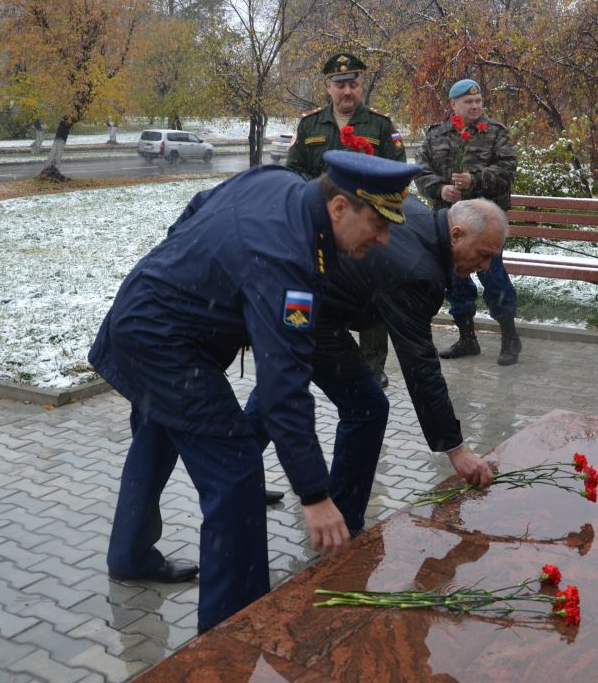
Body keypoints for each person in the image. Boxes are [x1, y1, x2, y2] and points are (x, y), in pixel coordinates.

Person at [89, 151, 423, 633]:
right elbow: (283, 384)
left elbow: (197, 205)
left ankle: (129, 553)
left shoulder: (279, 181)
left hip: (144, 315)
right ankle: (232, 636)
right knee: (235, 470)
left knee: (160, 432)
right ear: (338, 209)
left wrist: (186, 271)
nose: (385, 237)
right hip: (164, 343)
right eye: (377, 222)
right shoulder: (288, 259)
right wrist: (314, 494)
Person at [251, 196, 503, 533]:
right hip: (304, 307)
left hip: (299, 293)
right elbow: (420, 364)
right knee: (367, 408)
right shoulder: (419, 272)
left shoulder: (417, 212)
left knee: (277, 390)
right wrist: (455, 449)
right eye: (484, 254)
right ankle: (343, 525)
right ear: (456, 234)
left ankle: (233, 470)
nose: (485, 266)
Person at [287, 51, 408, 389]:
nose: (347, 91)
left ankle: (372, 367)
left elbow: (398, 172)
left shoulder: (380, 126)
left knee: (372, 294)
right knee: (317, 290)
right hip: (321, 227)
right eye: (339, 84)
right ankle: (319, 353)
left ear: (361, 85)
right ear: (328, 87)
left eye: (353, 83)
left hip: (363, 228)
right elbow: (293, 170)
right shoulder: (309, 124)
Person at [415, 78, 522, 365]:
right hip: (451, 225)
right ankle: (467, 338)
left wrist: (476, 179)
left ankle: (510, 338)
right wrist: (440, 189)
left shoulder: (496, 133)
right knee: (456, 283)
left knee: (494, 279)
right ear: (453, 105)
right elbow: (421, 170)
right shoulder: (437, 135)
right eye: (468, 102)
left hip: (485, 224)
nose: (475, 106)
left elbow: (508, 169)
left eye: (478, 101)